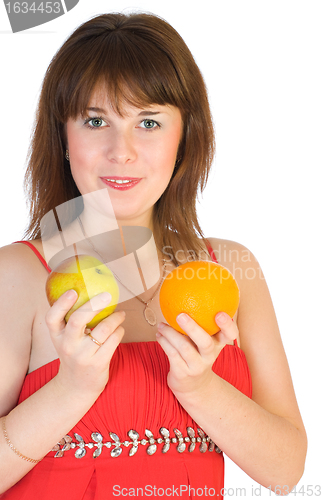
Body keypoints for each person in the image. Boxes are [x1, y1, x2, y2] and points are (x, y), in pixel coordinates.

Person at [0, 12, 307, 499]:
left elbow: (286, 471)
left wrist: (200, 387)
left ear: (185, 137)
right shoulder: (15, 277)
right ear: (62, 135)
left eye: (148, 122)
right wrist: (72, 388)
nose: (121, 151)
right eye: (96, 120)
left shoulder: (228, 271)